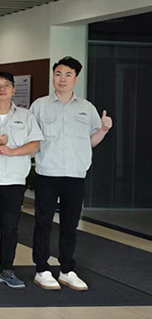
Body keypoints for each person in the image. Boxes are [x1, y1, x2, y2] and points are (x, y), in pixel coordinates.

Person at [30, 57, 112, 291]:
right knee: (43, 223)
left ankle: (67, 269)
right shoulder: (40, 106)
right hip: (47, 173)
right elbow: (32, 138)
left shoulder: (87, 108)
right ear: (53, 76)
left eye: (68, 74)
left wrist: (104, 129)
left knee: (70, 225)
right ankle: (42, 269)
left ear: (76, 79)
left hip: (75, 175)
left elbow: (91, 141)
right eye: (58, 73)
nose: (62, 79)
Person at [0, 71, 44, 289]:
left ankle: (6, 269)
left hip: (14, 180)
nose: (2, 89)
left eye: (6, 85)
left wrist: (13, 151)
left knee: (10, 228)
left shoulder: (25, 116)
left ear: (13, 90)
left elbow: (35, 144)